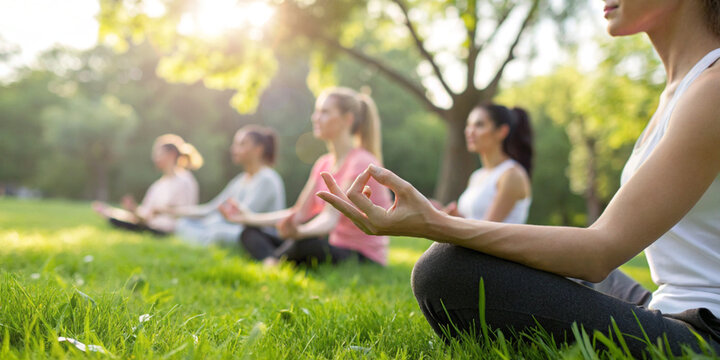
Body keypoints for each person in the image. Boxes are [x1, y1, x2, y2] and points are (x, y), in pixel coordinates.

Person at [317, 0, 720, 355]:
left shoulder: (712, 89)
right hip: (664, 305)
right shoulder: (681, 90)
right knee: (525, 262)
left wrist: (435, 224)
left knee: (445, 269)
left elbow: (599, 251)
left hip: (704, 336)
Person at [220, 87, 392, 266]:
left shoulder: (361, 162)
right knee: (250, 232)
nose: (315, 118)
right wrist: (247, 217)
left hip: (361, 255)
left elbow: (330, 219)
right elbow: (298, 213)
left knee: (307, 243)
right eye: (317, 112)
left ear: (347, 119)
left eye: (324, 112)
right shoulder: (324, 163)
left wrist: (300, 232)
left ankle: (272, 260)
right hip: (331, 244)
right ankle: (274, 260)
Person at [164, 126, 285, 246]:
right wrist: (175, 211)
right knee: (184, 223)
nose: (234, 149)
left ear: (258, 149)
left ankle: (199, 240)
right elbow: (211, 208)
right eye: (235, 144)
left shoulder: (266, 178)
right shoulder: (239, 180)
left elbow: (243, 219)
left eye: (241, 144)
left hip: (256, 236)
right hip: (231, 229)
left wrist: (214, 221)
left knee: (217, 233)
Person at [439, 104, 532, 224]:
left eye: (479, 125)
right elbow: (472, 224)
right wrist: (451, 215)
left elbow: (486, 232)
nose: (469, 131)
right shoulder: (477, 176)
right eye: (469, 125)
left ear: (502, 131)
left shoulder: (512, 175)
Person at [93, 134, 201, 235]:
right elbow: (145, 214)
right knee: (116, 220)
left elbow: (188, 212)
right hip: (150, 225)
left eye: (159, 154)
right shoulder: (157, 185)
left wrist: (162, 210)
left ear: (171, 155)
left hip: (169, 229)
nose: (155, 158)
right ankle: (111, 212)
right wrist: (133, 209)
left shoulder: (185, 180)